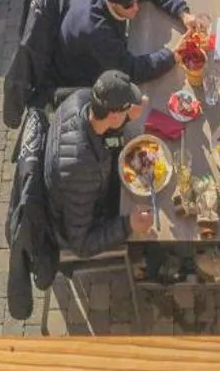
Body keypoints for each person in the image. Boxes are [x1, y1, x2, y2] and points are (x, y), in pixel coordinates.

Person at [43, 70, 154, 255]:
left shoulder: (81, 98)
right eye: (126, 109)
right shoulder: (82, 170)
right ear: (114, 115)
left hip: (81, 189)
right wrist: (128, 225)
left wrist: (126, 117)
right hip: (79, 222)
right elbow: (82, 244)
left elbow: (104, 127)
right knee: (152, 237)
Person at [53, 0, 203, 86]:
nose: (136, 8)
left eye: (137, 0)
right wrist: (172, 55)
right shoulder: (97, 31)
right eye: (128, 6)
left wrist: (183, 13)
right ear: (113, 3)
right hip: (79, 74)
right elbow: (130, 71)